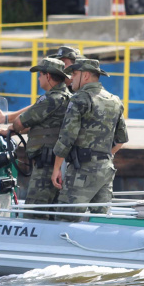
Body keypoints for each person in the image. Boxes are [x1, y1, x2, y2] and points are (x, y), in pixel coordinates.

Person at [51, 58, 128, 221]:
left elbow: (67, 137)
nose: (70, 78)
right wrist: (103, 157)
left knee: (66, 219)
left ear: (85, 76)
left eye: (74, 73)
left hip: (82, 171)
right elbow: (121, 140)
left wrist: (57, 168)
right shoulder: (115, 101)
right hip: (105, 170)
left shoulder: (80, 99)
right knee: (101, 221)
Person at [0, 57, 71, 216]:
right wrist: (11, 130)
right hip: (58, 165)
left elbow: (21, 122)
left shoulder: (51, 99)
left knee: (34, 213)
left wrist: (10, 128)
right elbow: (39, 125)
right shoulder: (66, 97)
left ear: (48, 76)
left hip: (46, 166)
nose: (38, 78)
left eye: (40, 75)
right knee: (51, 212)